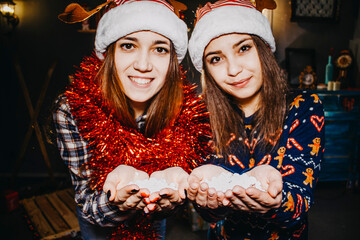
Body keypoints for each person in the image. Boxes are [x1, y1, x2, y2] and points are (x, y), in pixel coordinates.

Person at [53, 0, 210, 239]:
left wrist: (172, 198)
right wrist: (120, 202)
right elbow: (87, 200)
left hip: (153, 224)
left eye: (159, 49)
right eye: (128, 45)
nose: (143, 65)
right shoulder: (72, 109)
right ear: (110, 52)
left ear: (172, 60)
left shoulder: (185, 110)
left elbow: (178, 192)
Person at [186, 0, 325, 239]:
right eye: (216, 59)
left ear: (263, 48)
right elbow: (208, 215)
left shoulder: (304, 107)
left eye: (243, 48)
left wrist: (274, 200)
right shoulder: (201, 118)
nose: (233, 69)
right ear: (206, 69)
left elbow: (300, 203)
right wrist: (206, 200)